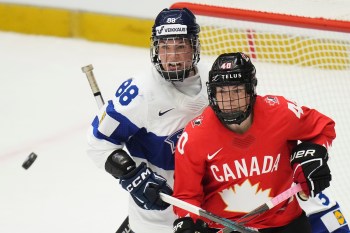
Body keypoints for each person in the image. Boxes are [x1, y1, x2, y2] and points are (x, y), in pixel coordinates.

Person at [172, 52, 339, 233]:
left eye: (236, 90)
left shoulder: (280, 113)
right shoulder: (195, 136)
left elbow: (323, 127)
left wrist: (311, 154)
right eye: (222, 91)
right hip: (224, 227)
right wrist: (188, 221)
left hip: (284, 223)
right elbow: (185, 195)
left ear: (251, 90)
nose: (229, 101)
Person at [86, 8, 209, 233]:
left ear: (194, 47)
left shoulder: (214, 82)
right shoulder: (140, 93)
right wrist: (132, 174)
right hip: (156, 223)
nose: (172, 57)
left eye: (180, 47)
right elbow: (98, 142)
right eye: (165, 48)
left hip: (208, 213)